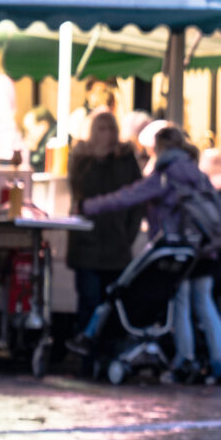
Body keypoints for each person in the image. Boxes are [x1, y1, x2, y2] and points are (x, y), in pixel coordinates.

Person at [81, 123, 221, 382]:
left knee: (181, 302)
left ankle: (185, 361)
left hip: (178, 249)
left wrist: (88, 206)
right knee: (205, 303)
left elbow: (125, 197)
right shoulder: (197, 173)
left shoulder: (164, 176)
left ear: (159, 148)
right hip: (207, 248)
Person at [65, 110, 144, 333]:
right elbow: (79, 194)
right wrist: (95, 157)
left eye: (111, 128)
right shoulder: (81, 159)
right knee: (89, 303)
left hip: (117, 245)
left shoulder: (126, 159)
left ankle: (105, 357)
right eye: (101, 128)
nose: (108, 134)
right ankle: (87, 356)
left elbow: (137, 201)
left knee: (113, 307)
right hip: (86, 245)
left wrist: (128, 235)